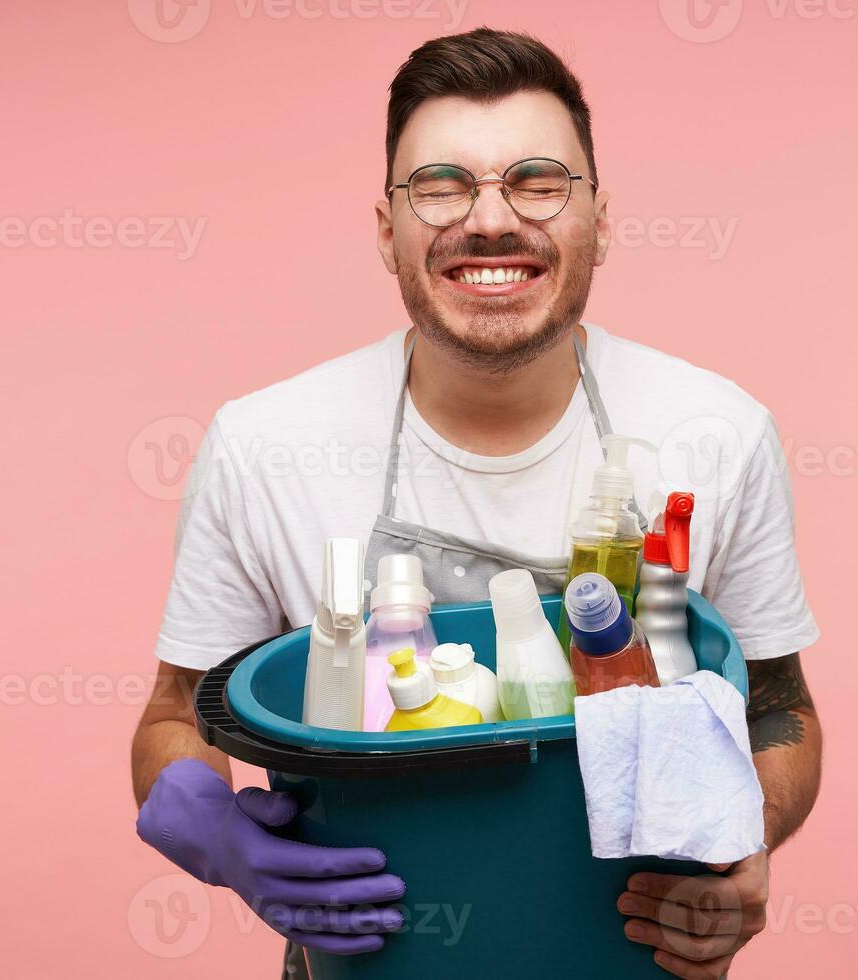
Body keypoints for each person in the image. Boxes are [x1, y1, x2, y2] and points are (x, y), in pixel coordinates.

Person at [130, 27, 822, 980]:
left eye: (538, 181)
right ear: (386, 230)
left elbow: (779, 709)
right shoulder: (264, 447)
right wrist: (206, 820)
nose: (490, 221)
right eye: (441, 185)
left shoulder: (715, 431)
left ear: (601, 220)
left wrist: (747, 840)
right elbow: (175, 716)